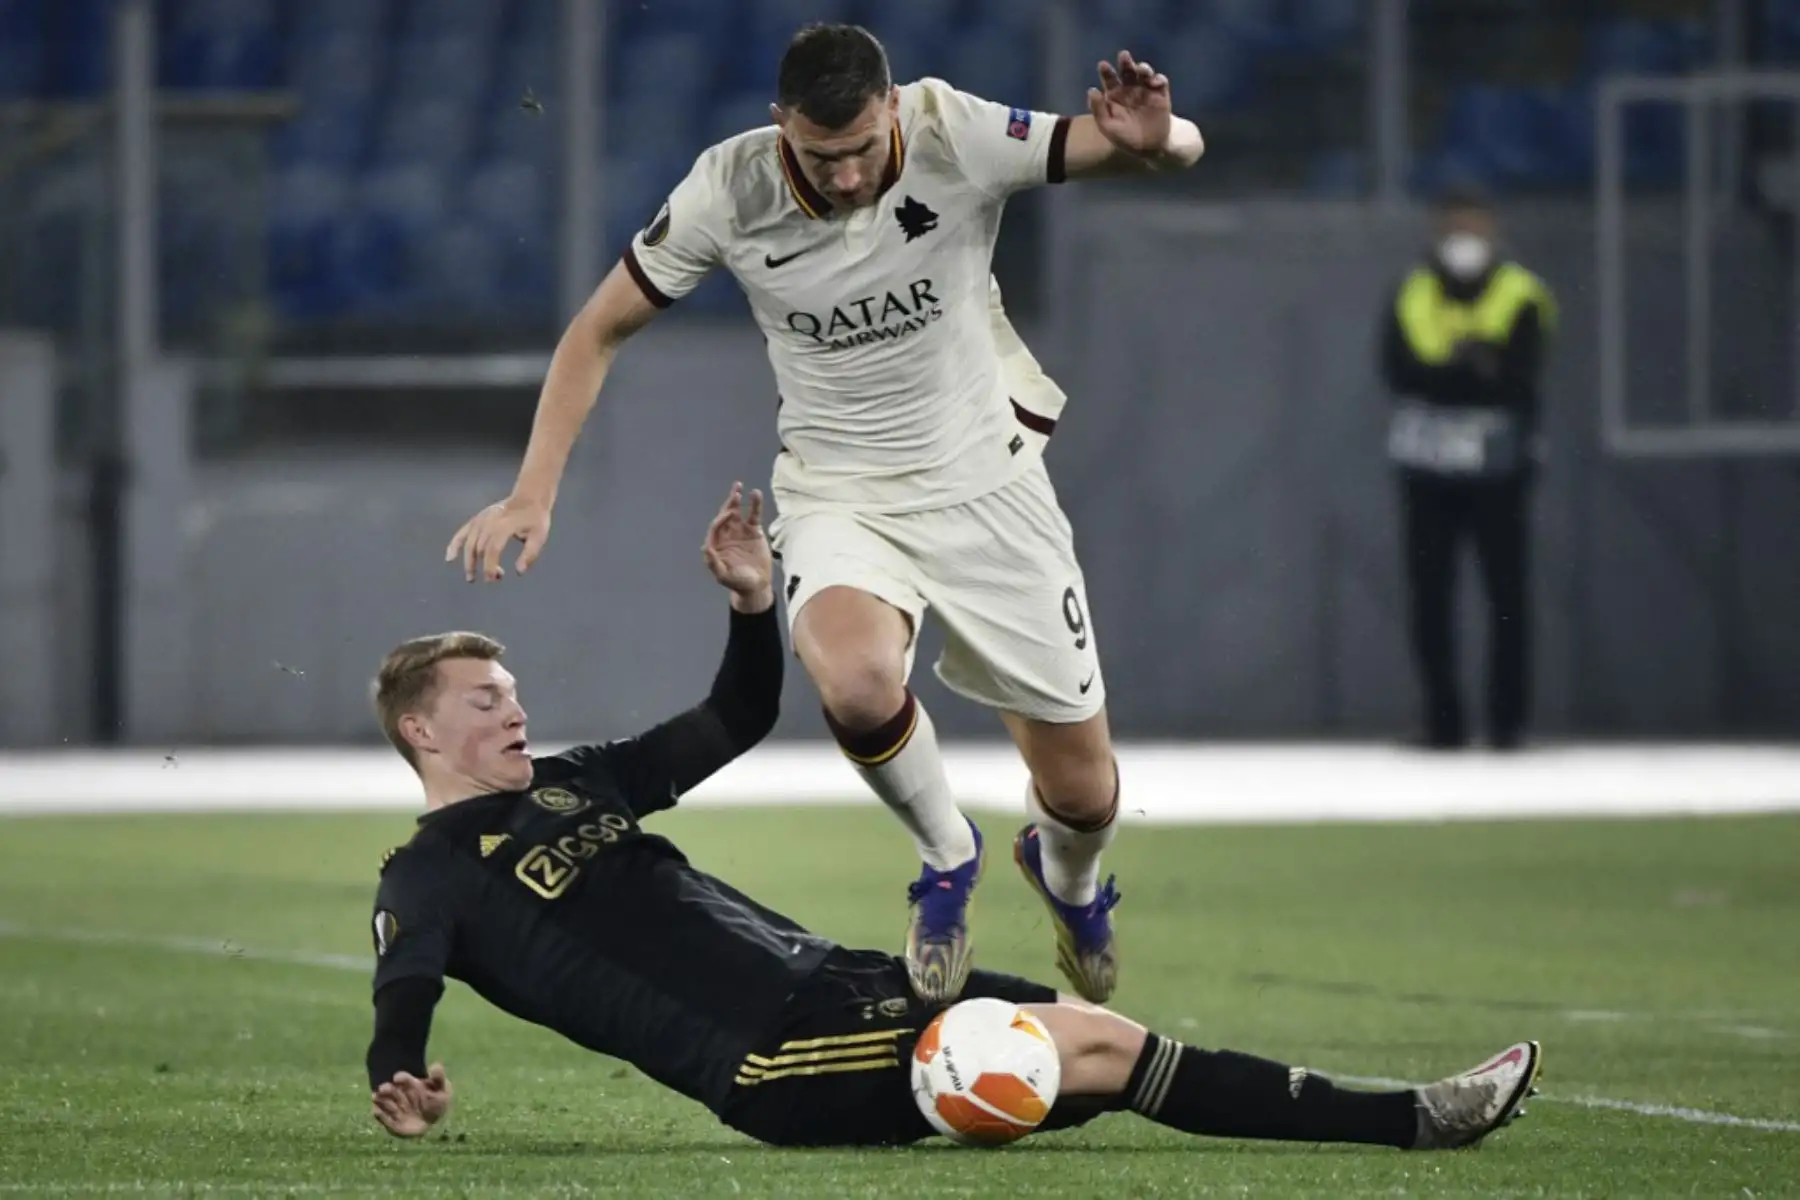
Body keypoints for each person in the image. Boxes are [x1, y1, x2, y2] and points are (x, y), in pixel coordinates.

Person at [373, 484, 1542, 1150]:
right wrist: (401, 1072)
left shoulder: (581, 782)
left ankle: (1413, 1121)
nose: (516, 718)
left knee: (1104, 1045)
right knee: (1075, 1056)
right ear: (421, 732)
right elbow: (405, 983)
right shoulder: (426, 873)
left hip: (840, 983)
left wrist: (750, 607)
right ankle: (1413, 1121)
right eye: (487, 705)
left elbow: (734, 716)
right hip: (774, 1054)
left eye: (517, 696)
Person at [446, 24, 1208, 1006]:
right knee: (852, 681)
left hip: (989, 485)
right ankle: (945, 859)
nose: (846, 177)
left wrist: (1163, 136)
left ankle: (1070, 880)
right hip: (841, 489)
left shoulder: (952, 133)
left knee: (1083, 792)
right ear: (779, 130)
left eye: (860, 151)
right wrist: (532, 491)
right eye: (819, 156)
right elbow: (597, 330)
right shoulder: (729, 189)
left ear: (892, 110)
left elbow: (1148, 146)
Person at [1380, 184, 1556, 751]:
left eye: (1474, 227)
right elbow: (1400, 373)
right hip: (1428, 474)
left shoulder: (1521, 293)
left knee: (1507, 598)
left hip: (1500, 474)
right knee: (1431, 599)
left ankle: (1509, 724)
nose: (1465, 240)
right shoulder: (1411, 292)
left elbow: (1519, 377)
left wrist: (1457, 373)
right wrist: (1476, 366)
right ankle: (1443, 722)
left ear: (1493, 231)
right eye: (1455, 228)